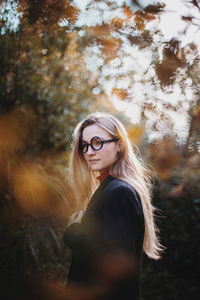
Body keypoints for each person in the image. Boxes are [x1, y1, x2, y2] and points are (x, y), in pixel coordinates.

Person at [63, 112, 163, 300]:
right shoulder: (111, 188)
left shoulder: (119, 192)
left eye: (97, 142)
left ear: (119, 145)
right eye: (84, 146)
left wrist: (75, 234)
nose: (89, 151)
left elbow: (116, 266)